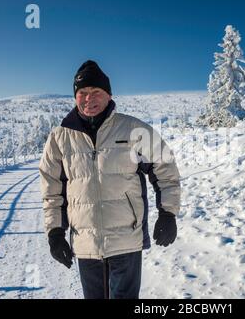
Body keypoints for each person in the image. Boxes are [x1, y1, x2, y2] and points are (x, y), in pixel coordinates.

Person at [39, 60, 181, 299]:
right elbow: (51, 189)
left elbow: (165, 168)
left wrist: (168, 213)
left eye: (96, 92)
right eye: (82, 93)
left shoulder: (133, 129)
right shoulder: (60, 138)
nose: (88, 98)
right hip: (85, 243)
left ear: (109, 95)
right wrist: (55, 232)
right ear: (75, 97)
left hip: (126, 239)